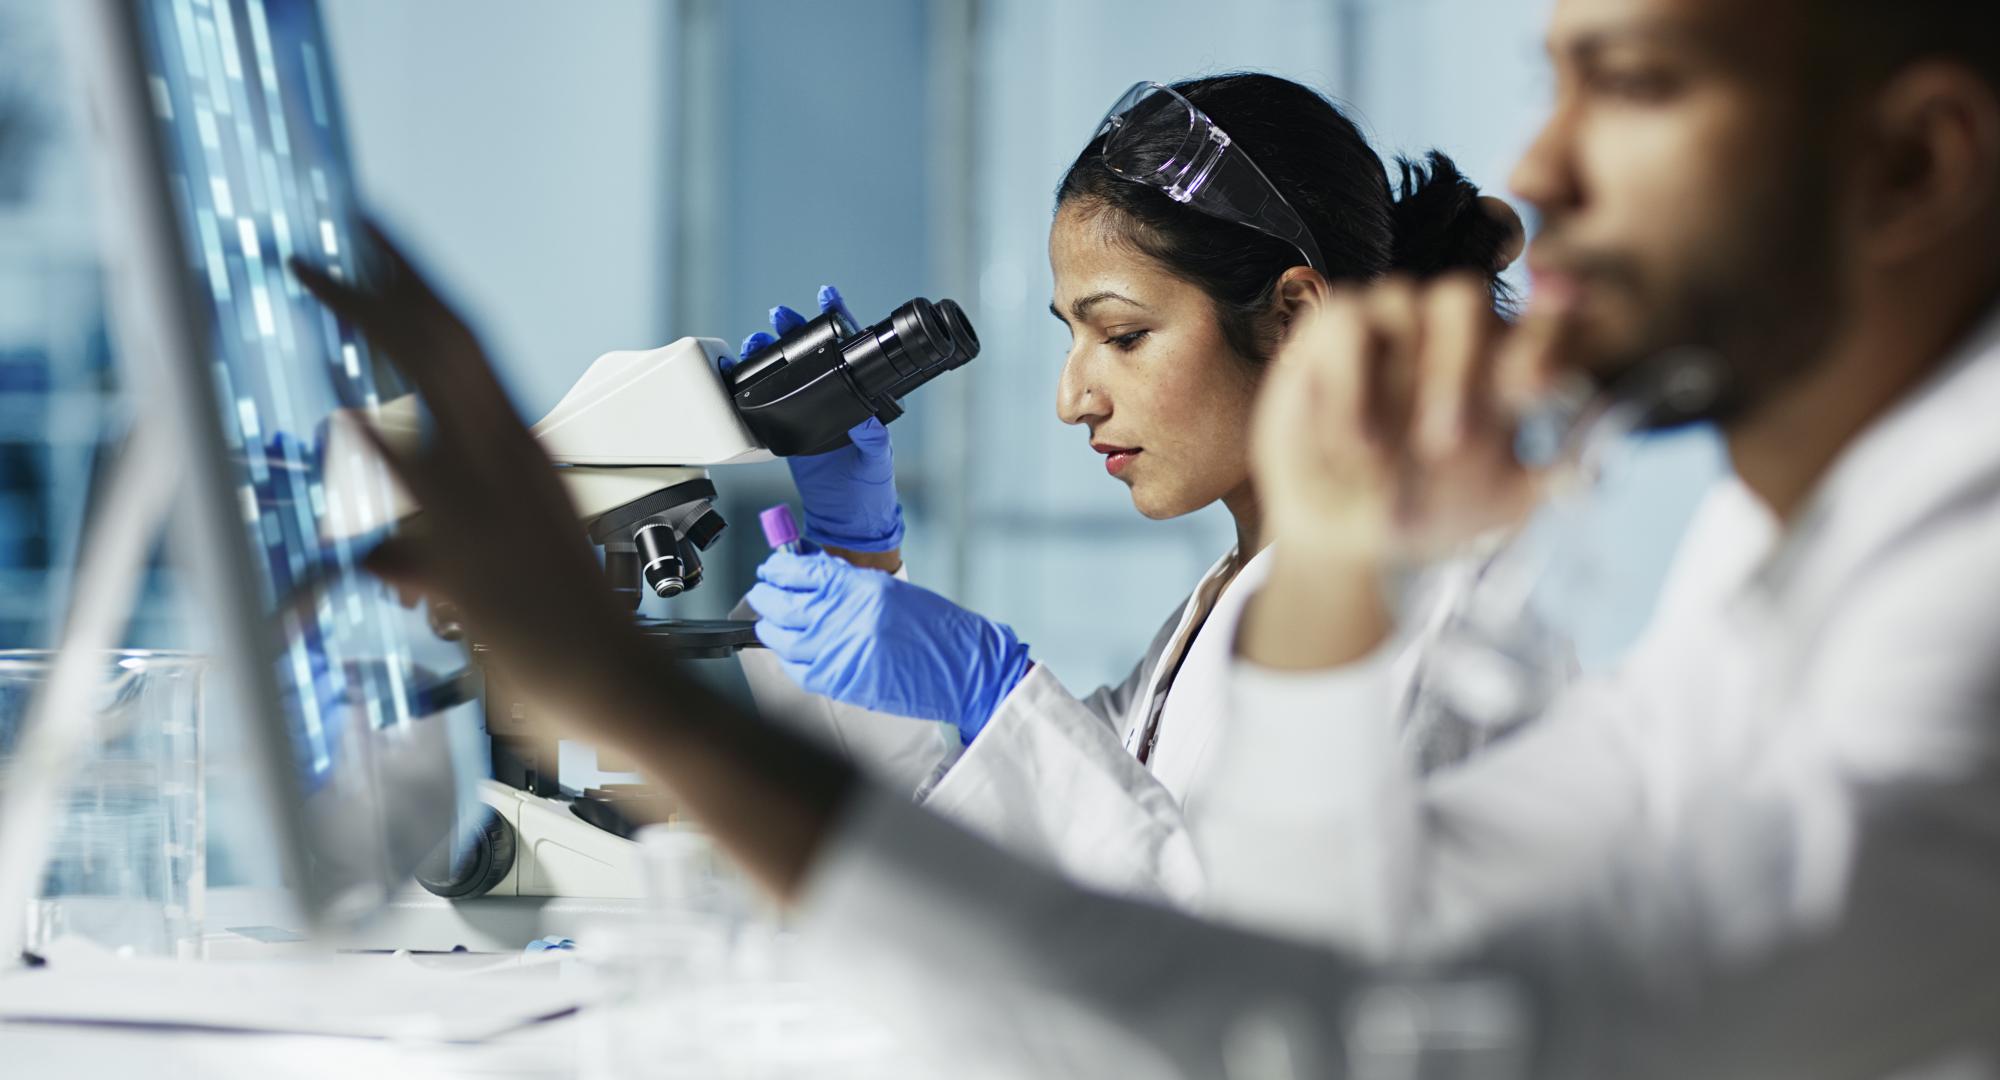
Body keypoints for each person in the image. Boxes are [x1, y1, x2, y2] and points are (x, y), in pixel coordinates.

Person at [291, 0, 2000, 1071]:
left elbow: (1311, 1030)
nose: (1544, 163)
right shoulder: (1776, 574)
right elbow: (1284, 932)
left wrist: (647, 691)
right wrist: (880, 599)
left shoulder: (1961, 633)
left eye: (1626, 82)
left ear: (1917, 166)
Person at [729, 74, 1546, 924]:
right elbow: (985, 871)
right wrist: (857, 554)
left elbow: (1243, 974)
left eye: (1122, 336)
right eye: (1072, 335)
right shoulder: (1222, 605)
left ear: (1295, 318)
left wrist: (998, 696)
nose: (1073, 397)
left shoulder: (1400, 611)